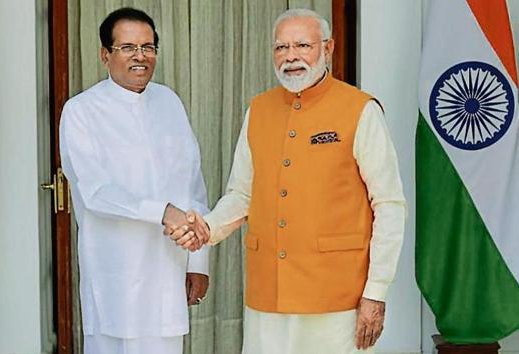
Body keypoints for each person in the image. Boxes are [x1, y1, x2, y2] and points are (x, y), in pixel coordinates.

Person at [168, 8, 406, 354]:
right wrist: (207, 228)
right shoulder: (259, 110)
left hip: (336, 295)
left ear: (328, 48)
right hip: (269, 293)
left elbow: (389, 205)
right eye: (281, 47)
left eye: (302, 45)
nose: (291, 56)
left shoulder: (360, 110)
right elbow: (241, 194)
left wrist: (376, 291)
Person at [59, 7, 210, 354]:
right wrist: (163, 211)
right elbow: (96, 192)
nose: (140, 56)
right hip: (115, 274)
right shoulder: (82, 111)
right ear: (105, 55)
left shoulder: (169, 102)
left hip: (168, 273)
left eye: (148, 47)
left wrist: (198, 262)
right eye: (127, 47)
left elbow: (193, 185)